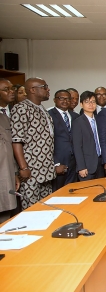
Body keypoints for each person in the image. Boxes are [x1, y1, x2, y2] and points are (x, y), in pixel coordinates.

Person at [11, 78, 56, 209]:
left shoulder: (42, 108)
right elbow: (16, 141)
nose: (48, 90)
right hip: (31, 171)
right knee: (31, 210)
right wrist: (23, 168)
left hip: (46, 170)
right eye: (45, 87)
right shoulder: (21, 109)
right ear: (32, 90)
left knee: (47, 209)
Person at [48, 90, 79, 191]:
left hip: (74, 162)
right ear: (54, 100)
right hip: (59, 161)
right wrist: (55, 163)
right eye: (62, 98)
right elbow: (47, 142)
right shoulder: (49, 115)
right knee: (58, 192)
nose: (65, 101)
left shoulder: (75, 116)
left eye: (68, 99)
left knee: (72, 191)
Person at [72, 91, 105, 181]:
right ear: (81, 104)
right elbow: (77, 147)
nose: (91, 104)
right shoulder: (78, 122)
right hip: (87, 166)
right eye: (87, 102)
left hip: (100, 163)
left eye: (93, 102)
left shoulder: (99, 120)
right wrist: (81, 167)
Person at [0, 112, 18, 223]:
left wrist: (15, 172)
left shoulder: (4, 118)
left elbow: (10, 147)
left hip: (6, 171)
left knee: (6, 209)